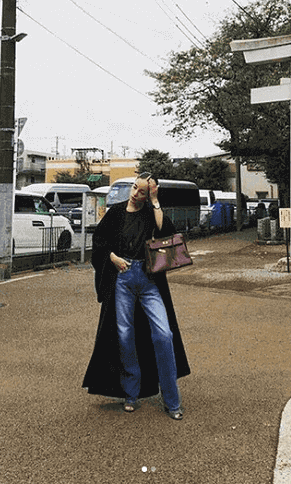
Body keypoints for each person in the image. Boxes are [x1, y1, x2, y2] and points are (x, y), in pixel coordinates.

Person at [82, 172, 190, 420]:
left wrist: (155, 201)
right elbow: (100, 241)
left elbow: (166, 233)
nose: (135, 193)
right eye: (134, 187)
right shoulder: (117, 212)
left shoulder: (151, 213)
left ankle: (171, 399)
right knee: (124, 334)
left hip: (148, 278)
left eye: (142, 190)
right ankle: (130, 393)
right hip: (123, 276)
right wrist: (113, 258)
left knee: (164, 334)